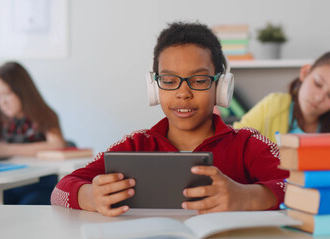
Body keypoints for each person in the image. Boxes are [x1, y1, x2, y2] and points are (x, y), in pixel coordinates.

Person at [51, 22, 288, 216]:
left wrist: (246, 196)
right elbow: (59, 191)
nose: (183, 93)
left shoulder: (246, 144)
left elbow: (301, 187)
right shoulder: (137, 145)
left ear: (221, 87)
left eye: (199, 80)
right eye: (169, 80)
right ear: (154, 88)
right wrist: (90, 196)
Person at [233, 47, 330, 143]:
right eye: (317, 84)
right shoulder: (274, 105)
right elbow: (234, 140)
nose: (319, 98)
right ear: (305, 73)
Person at [0, 61, 66, 204]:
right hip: (7, 186)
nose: (2, 103)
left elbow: (57, 144)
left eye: (7, 94)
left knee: (28, 205)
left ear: (22, 90)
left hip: (37, 184)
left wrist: (5, 149)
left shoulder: (42, 115)